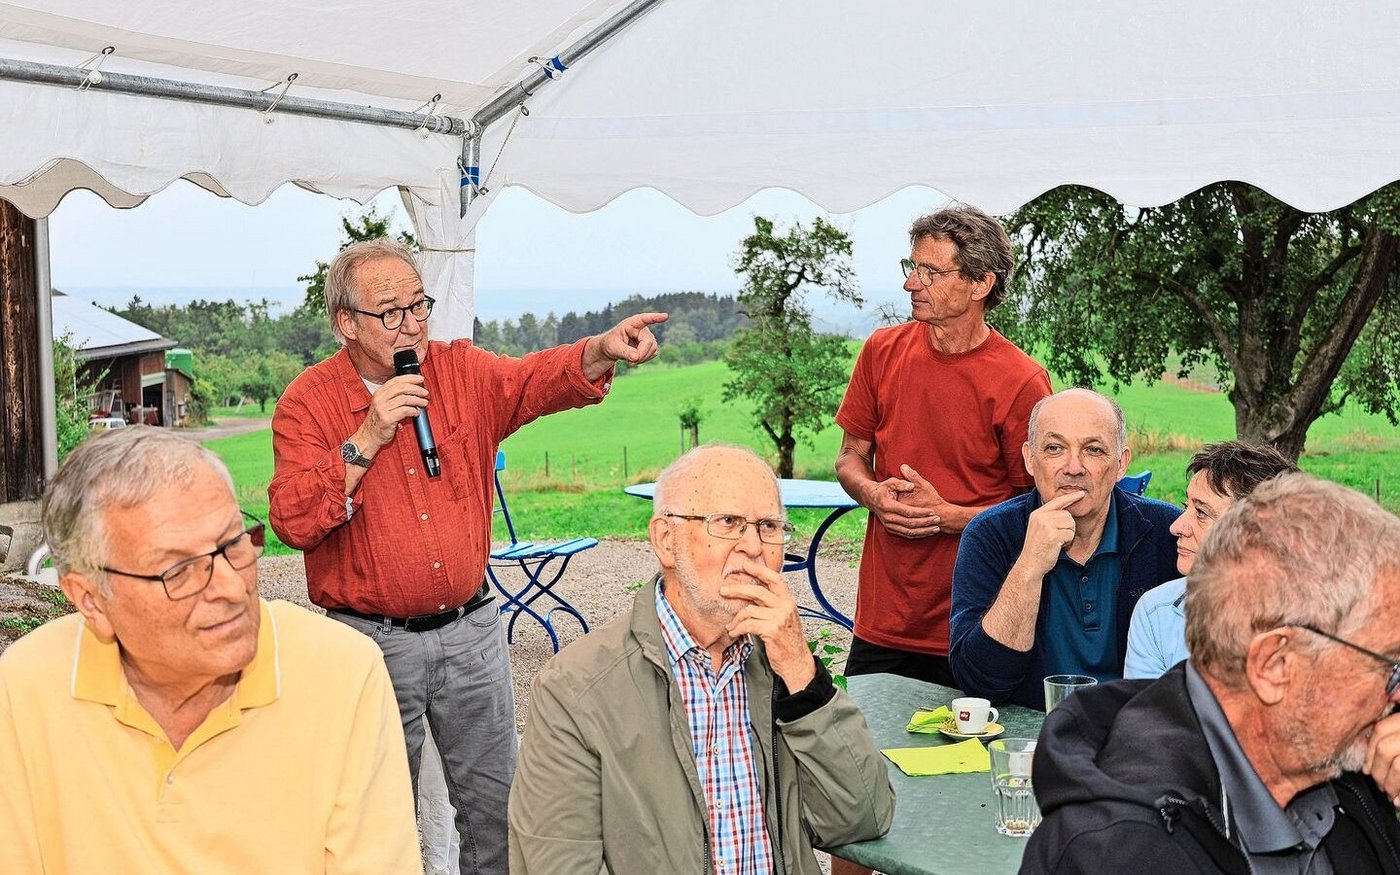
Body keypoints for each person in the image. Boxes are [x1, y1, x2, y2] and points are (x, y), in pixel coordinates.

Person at [268, 237, 664, 875]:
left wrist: (599, 348)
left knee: (497, 809)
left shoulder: (458, 372)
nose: (413, 324)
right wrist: (367, 436)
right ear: (346, 323)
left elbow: (535, 379)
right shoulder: (307, 403)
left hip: (472, 632)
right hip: (368, 644)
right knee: (374, 818)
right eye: (391, 312)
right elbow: (292, 520)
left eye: (419, 306)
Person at [0, 427, 419, 874]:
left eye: (234, 544)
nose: (232, 588)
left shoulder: (343, 674)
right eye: (179, 570)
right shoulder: (25, 687)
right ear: (91, 600)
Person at [508, 445, 896, 875]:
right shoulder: (575, 690)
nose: (753, 546)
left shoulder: (784, 669)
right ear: (666, 540)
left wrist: (802, 672)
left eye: (768, 526)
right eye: (728, 522)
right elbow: (557, 863)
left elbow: (862, 820)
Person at [1023, 473, 1400, 874]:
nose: (1396, 694)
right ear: (1275, 666)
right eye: (1389, 664)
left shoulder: (1345, 765)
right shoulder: (1122, 853)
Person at [834, 204, 1051, 687]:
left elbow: (1039, 512)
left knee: (971, 760)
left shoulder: (1022, 383)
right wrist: (872, 494)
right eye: (912, 267)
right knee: (867, 757)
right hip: (883, 621)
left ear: (980, 284)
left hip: (976, 621)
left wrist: (945, 516)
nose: (913, 283)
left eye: (931, 271)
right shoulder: (881, 351)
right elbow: (850, 457)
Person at [948, 388, 1179, 708]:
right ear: (1029, 458)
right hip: (1031, 735)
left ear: (1122, 462)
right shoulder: (990, 535)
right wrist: (1029, 564)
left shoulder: (1169, 534)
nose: (1073, 467)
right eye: (1055, 448)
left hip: (1134, 735)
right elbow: (982, 684)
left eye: (1094, 450)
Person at [1124, 441, 1297, 679]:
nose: (1176, 527)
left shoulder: (1324, 623)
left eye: (1202, 513)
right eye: (1187, 507)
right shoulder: (1158, 613)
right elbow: (1147, 715)